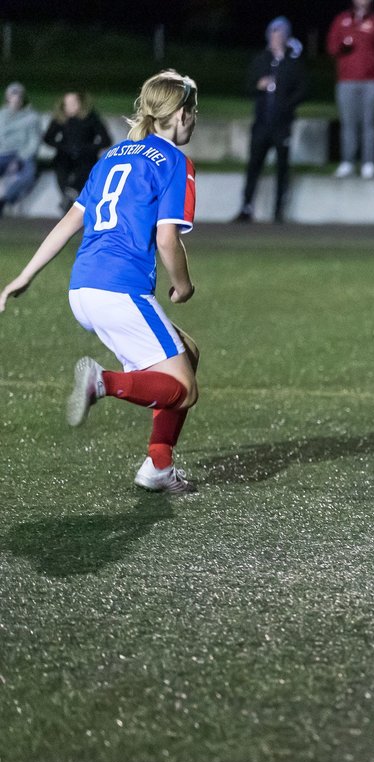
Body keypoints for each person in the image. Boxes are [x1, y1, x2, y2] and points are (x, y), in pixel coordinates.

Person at [0, 70, 202, 495]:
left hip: (83, 288)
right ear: (180, 114)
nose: (194, 119)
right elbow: (167, 238)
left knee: (188, 353)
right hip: (120, 289)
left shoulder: (112, 155)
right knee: (183, 390)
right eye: (192, 111)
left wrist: (24, 275)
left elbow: (69, 222)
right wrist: (182, 285)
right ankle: (103, 382)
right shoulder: (175, 163)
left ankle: (158, 466)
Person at [235, 16, 307, 224]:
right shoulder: (260, 61)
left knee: (282, 168)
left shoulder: (293, 63)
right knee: (254, 165)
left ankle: (278, 211)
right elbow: (248, 86)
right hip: (261, 123)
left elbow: (303, 89)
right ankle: (246, 207)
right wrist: (259, 85)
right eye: (274, 35)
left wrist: (287, 104)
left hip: (282, 124)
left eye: (281, 35)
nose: (277, 39)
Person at [326, 0, 374, 179]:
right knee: (348, 123)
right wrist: (343, 44)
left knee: (369, 123)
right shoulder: (342, 19)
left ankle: (368, 163)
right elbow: (332, 47)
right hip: (346, 80)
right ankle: (348, 162)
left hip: (371, 81)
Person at [42, 91, 111, 211]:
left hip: (86, 156)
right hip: (65, 156)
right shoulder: (61, 119)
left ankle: (70, 195)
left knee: (86, 168)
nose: (70, 106)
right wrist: (64, 147)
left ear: (80, 104)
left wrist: (87, 148)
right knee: (60, 165)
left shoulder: (91, 118)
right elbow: (48, 138)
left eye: (73, 103)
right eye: (67, 104)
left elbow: (106, 140)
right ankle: (67, 196)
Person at [0, 82, 41, 217]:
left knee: (28, 176)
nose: (16, 99)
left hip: (22, 154)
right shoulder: (2, 115)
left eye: (18, 95)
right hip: (2, 154)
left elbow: (34, 142)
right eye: (13, 95)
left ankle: (5, 200)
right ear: (7, 97)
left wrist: (20, 159)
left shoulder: (31, 117)